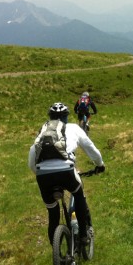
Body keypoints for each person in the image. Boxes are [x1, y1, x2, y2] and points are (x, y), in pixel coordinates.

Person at [28, 102, 105, 247]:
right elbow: (90, 147)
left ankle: (57, 252)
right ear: (66, 117)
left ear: (50, 117)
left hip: (43, 175)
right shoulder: (74, 128)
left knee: (53, 213)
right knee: (78, 195)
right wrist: (99, 164)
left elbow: (32, 158)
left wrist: (40, 173)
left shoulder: (44, 130)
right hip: (66, 170)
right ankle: (83, 235)